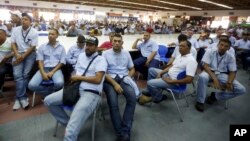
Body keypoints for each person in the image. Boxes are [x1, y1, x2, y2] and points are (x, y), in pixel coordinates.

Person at [44, 36, 107, 141]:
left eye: (91, 45)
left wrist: (78, 77)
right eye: (87, 45)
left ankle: (71, 128)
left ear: (96, 48)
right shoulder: (81, 56)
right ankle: (68, 123)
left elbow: (98, 80)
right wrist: (72, 78)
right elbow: (76, 71)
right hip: (75, 88)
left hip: (91, 93)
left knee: (70, 132)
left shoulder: (101, 60)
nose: (87, 47)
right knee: (48, 101)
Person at [138, 40, 197, 105]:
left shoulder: (191, 61)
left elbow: (189, 79)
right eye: (179, 46)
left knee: (150, 83)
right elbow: (171, 66)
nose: (180, 47)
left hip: (174, 82)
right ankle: (151, 91)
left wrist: (171, 81)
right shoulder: (180, 56)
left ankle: (158, 97)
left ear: (189, 48)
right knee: (151, 70)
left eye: (183, 46)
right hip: (168, 75)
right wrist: (161, 72)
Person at [195, 38, 246, 112]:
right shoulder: (210, 51)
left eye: (226, 46)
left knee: (241, 89)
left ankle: (215, 96)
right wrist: (215, 79)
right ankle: (200, 101)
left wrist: (229, 82)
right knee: (203, 77)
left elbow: (232, 71)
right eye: (221, 45)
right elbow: (205, 66)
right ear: (218, 45)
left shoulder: (231, 56)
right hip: (209, 71)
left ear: (229, 48)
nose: (223, 47)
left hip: (221, 74)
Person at [102, 34, 137, 141]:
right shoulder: (105, 54)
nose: (117, 43)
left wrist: (128, 78)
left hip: (123, 78)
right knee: (113, 103)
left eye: (119, 41)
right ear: (111, 42)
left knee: (132, 98)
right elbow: (103, 72)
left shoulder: (126, 53)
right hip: (109, 80)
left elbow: (132, 68)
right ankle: (120, 133)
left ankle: (125, 131)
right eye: (115, 41)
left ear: (122, 43)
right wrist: (114, 84)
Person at [11, 13, 38, 110]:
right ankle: (22, 98)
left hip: (29, 55)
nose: (23, 21)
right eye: (22, 19)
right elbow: (13, 43)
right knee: (18, 75)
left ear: (30, 22)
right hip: (18, 54)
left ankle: (19, 98)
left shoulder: (34, 32)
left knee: (25, 75)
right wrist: (17, 54)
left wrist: (22, 57)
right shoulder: (15, 30)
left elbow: (33, 47)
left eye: (26, 19)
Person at [28, 29, 65, 96]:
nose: (50, 36)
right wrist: (43, 73)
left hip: (55, 69)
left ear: (57, 36)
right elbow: (40, 61)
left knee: (60, 83)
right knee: (31, 85)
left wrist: (52, 72)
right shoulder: (42, 47)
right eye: (49, 34)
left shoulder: (61, 48)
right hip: (43, 68)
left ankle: (46, 93)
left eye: (52, 34)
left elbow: (61, 62)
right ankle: (50, 93)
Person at [0, 29, 13, 95]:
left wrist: (7, 57)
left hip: (7, 63)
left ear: (5, 35)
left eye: (0, 34)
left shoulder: (10, 42)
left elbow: (15, 52)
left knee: (0, 71)